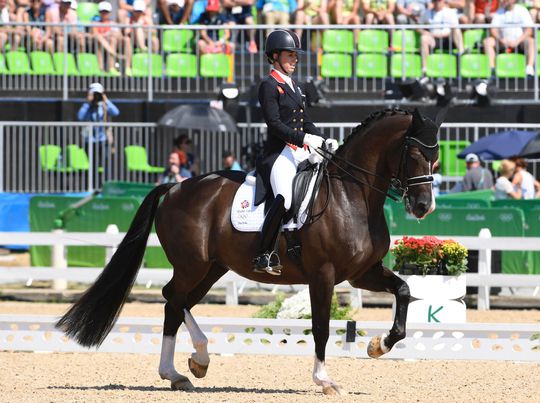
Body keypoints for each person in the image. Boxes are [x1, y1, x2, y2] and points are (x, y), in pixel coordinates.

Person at [252, 29, 339, 275]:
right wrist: (304, 139)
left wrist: (322, 139)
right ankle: (264, 253)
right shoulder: (269, 85)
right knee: (285, 198)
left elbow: (306, 120)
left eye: (296, 56)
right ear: (275, 56)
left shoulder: (296, 86)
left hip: (299, 150)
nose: (295, 59)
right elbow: (275, 124)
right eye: (290, 55)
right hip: (279, 154)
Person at [77, 83, 120, 179]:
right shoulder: (87, 106)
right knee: (93, 164)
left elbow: (116, 112)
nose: (96, 96)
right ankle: (93, 186)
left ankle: (105, 185)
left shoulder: (104, 105)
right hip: (90, 140)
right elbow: (80, 116)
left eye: (98, 94)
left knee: (106, 163)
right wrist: (88, 102)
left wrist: (106, 100)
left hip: (103, 139)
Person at [483, 0, 535, 77]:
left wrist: (517, 41)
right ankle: (492, 69)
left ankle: (529, 68)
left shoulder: (522, 10)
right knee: (487, 42)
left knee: (531, 41)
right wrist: (501, 39)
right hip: (503, 42)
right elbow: (493, 29)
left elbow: (529, 30)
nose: (503, 0)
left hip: (520, 42)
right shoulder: (499, 11)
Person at [418, 0, 464, 74]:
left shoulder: (450, 12)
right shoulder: (427, 12)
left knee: (456, 29)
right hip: (434, 39)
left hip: (448, 39)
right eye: (435, 1)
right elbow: (418, 26)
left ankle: (462, 53)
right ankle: (425, 69)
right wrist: (425, 32)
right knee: (424, 38)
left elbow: (454, 28)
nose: (437, 3)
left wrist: (442, 34)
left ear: (444, 1)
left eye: (439, 1)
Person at [92, 1, 129, 76]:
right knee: (100, 41)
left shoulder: (113, 24)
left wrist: (110, 35)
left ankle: (112, 67)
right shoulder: (95, 23)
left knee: (114, 39)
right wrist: (107, 35)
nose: (104, 14)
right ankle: (102, 68)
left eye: (106, 12)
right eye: (102, 11)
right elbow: (95, 34)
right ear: (99, 12)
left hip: (112, 43)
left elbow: (119, 36)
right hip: (100, 44)